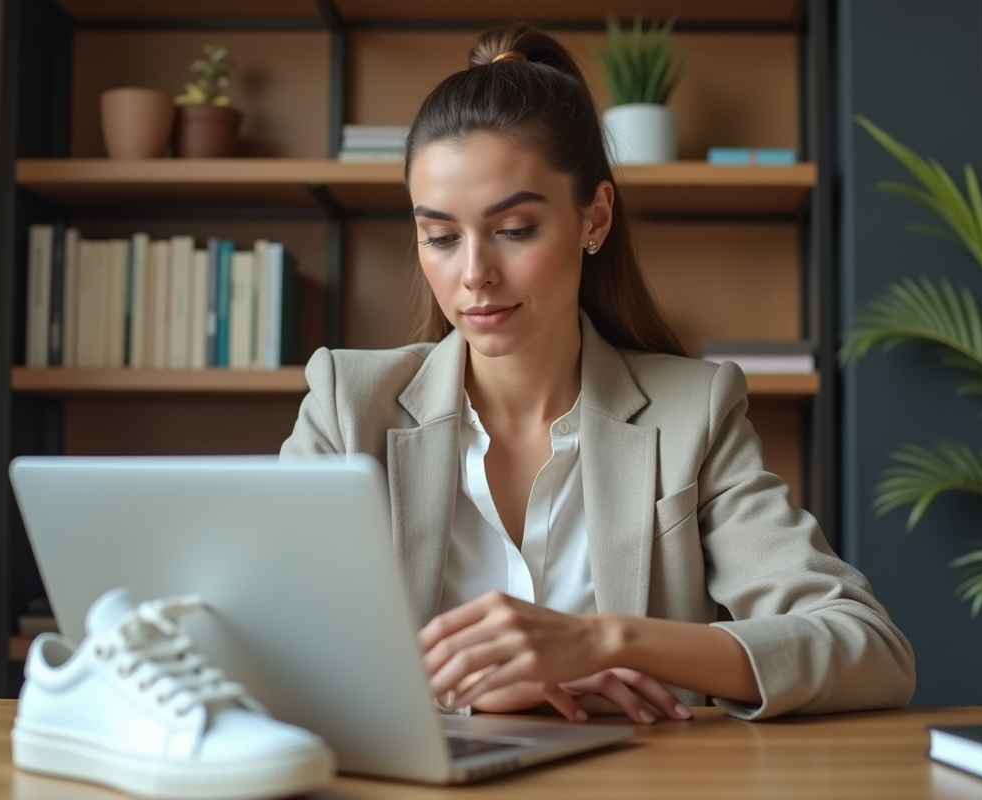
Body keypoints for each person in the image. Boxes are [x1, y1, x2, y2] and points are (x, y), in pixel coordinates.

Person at [281, 23, 914, 724]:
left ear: (595, 218)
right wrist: (458, 693)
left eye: (515, 229)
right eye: (439, 236)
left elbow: (868, 647)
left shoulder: (691, 415)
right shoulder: (348, 406)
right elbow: (261, 644)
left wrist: (604, 640)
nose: (474, 275)